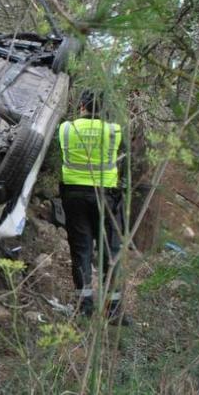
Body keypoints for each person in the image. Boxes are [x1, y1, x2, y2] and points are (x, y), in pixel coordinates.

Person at [57, 90, 130, 325]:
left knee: (81, 250)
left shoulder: (66, 129)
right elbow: (124, 159)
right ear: (104, 109)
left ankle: (84, 308)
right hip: (105, 198)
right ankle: (113, 311)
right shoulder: (113, 131)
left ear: (81, 106)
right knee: (111, 252)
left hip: (74, 196)